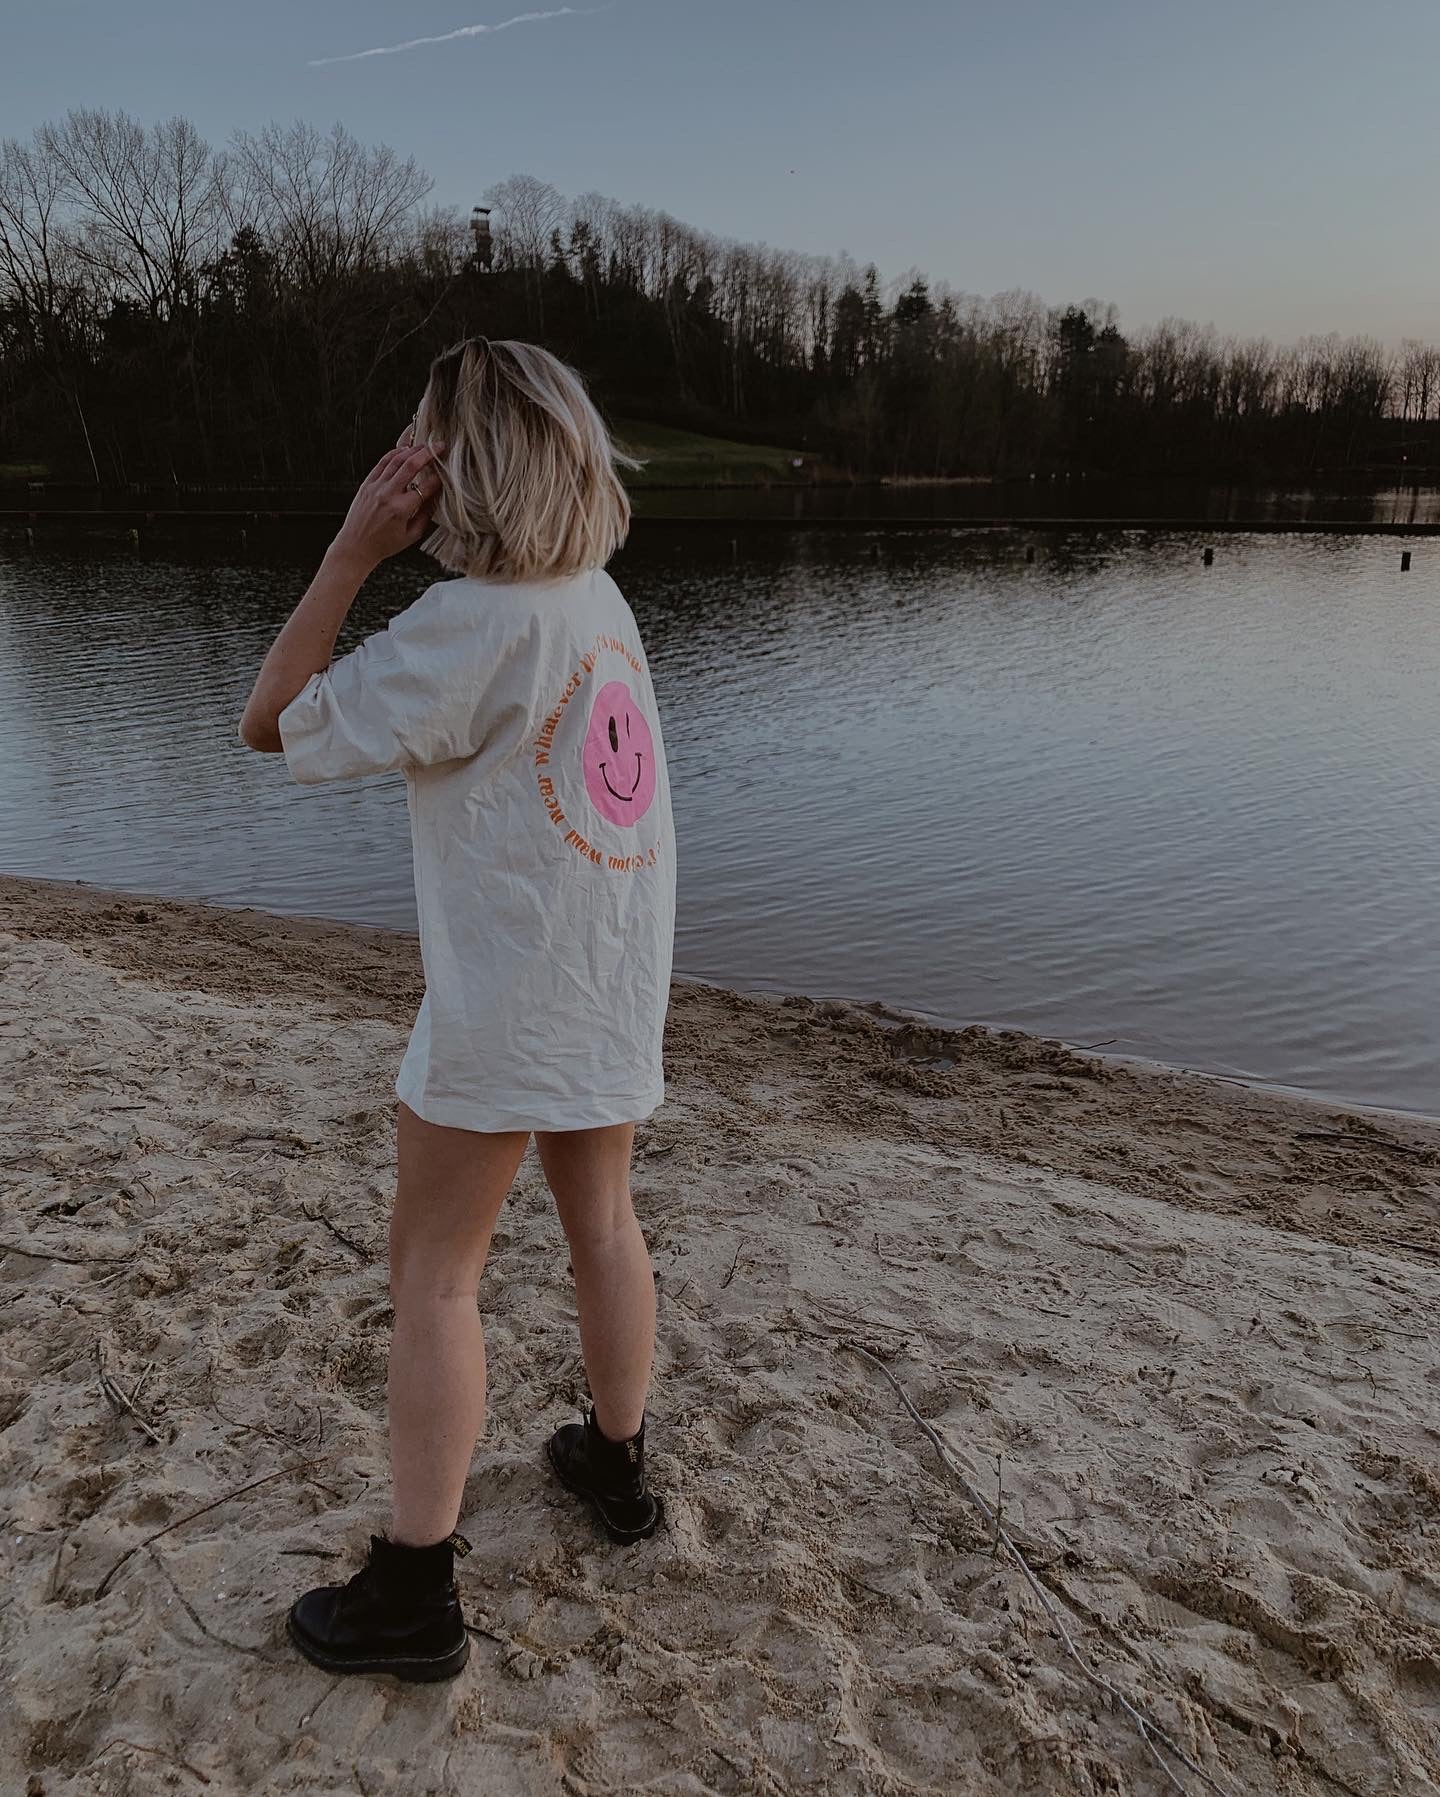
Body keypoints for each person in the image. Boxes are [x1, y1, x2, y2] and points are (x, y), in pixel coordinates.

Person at [237, 337, 676, 1683]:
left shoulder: (463, 628)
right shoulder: (599, 599)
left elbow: (272, 720)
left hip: (501, 1007)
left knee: (436, 1273)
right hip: (612, 981)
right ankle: (616, 1467)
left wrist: (349, 554)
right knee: (605, 1223)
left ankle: (416, 1591)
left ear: (452, 475)